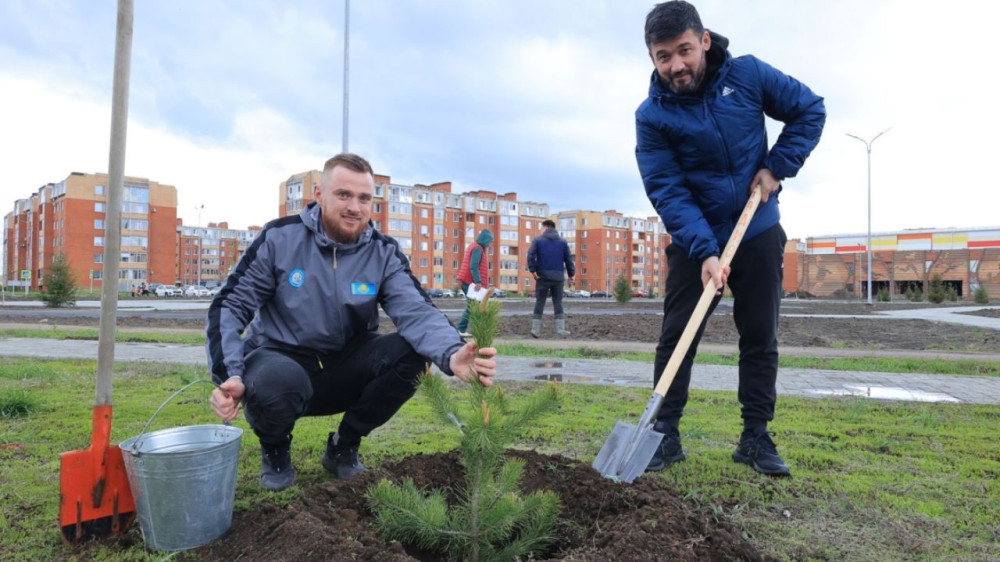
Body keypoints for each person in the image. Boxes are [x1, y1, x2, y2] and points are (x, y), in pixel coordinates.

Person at [206, 153, 498, 491]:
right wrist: (230, 374)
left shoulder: (382, 252)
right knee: (277, 381)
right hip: (280, 360)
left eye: (364, 198)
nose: (355, 207)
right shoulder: (279, 239)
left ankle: (344, 445)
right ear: (319, 194)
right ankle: (275, 450)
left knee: (411, 353)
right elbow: (230, 305)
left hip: (346, 364)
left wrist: (450, 352)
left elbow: (415, 309)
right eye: (343, 194)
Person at [635, 1, 825, 476]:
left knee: (760, 336)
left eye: (683, 50)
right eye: (663, 56)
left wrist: (777, 167)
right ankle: (664, 436)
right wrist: (704, 250)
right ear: (652, 59)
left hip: (756, 229)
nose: (676, 64)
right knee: (677, 335)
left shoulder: (749, 76)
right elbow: (667, 190)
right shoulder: (652, 116)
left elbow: (809, 111)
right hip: (693, 239)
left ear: (703, 40)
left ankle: (755, 438)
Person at [526, 219, 575, 337]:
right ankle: (560, 330)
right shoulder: (563, 243)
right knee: (558, 302)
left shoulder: (538, 241)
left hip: (542, 276)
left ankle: (535, 330)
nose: (541, 230)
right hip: (558, 277)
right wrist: (571, 275)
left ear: (546, 228)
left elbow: (530, 255)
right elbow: (569, 260)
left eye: (542, 228)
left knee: (540, 302)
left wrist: (533, 270)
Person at [455, 229, 494, 336]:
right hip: (469, 282)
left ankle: (466, 329)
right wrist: (478, 281)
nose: (490, 245)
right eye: (490, 242)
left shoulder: (476, 247)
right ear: (485, 240)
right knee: (472, 306)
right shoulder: (477, 249)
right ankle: (461, 330)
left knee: (473, 306)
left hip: (467, 281)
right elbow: (473, 266)